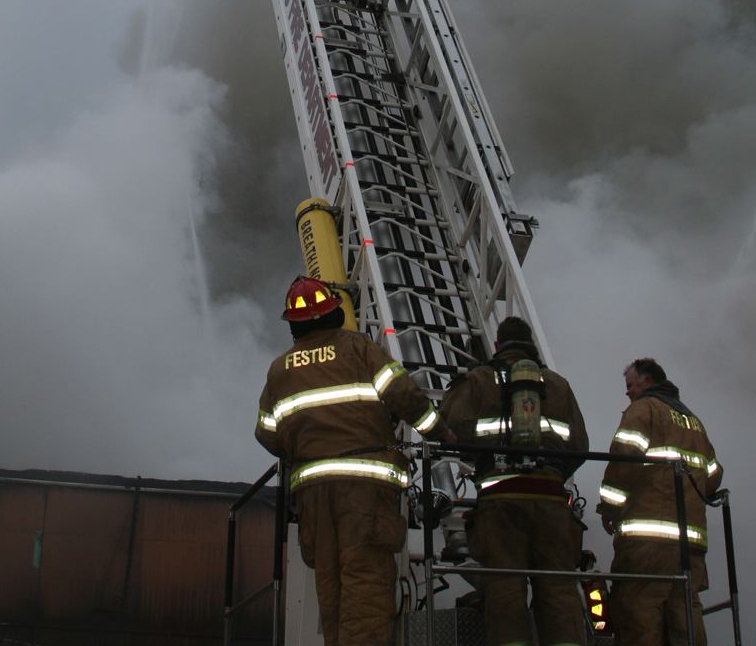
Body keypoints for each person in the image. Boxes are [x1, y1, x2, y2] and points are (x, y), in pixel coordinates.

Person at [255, 275, 453, 646]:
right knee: (366, 594)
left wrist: (304, 451)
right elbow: (403, 395)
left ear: (294, 324)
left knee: (332, 597)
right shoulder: (359, 348)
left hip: (312, 496)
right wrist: (441, 432)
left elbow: (266, 432)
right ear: (334, 313)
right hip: (365, 491)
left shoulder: (279, 370)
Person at [442, 315, 589, 646]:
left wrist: (485, 461)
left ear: (497, 345)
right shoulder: (557, 385)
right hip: (552, 500)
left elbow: (453, 429)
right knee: (559, 591)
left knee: (505, 591)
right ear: (531, 343)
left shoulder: (479, 380)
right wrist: (551, 471)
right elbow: (579, 445)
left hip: (500, 500)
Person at [597, 357, 723, 646]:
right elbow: (714, 475)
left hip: (647, 546)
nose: (627, 392)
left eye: (630, 385)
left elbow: (624, 460)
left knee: (639, 615)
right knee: (686, 622)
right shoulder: (694, 423)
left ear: (647, 382)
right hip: (689, 548)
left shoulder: (643, 410)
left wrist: (608, 508)